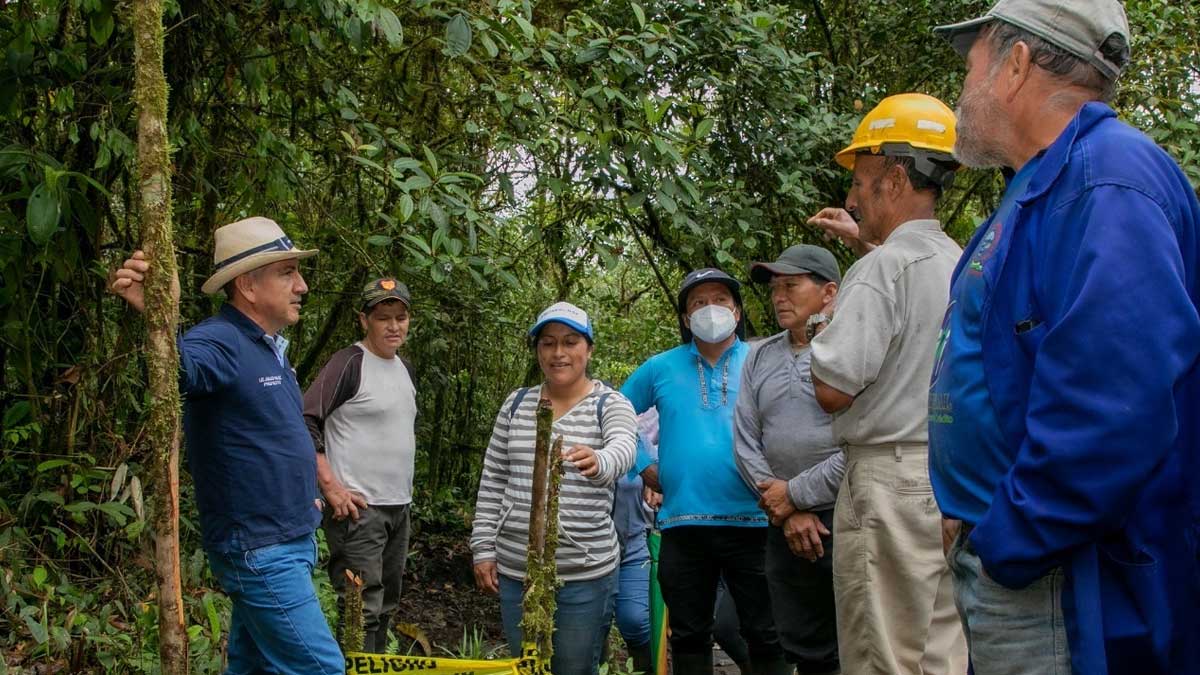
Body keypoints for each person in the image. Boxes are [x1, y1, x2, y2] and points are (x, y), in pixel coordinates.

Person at [931, 2, 1200, 673]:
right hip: (1022, 559)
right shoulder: (1049, 183)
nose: (962, 94)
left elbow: (1114, 409)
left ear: (1015, 64)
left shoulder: (1107, 181)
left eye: (970, 68)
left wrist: (1010, 539)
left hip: (1058, 581)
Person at [108, 217, 343, 674]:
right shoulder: (220, 341)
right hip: (260, 549)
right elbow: (179, 370)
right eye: (288, 272)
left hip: (287, 538)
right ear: (248, 286)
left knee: (254, 668)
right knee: (322, 669)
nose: (303, 285)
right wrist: (159, 316)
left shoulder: (267, 346)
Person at [805, 94, 967, 675]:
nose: (852, 198)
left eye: (862, 181)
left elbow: (833, 389)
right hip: (948, 477)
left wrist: (823, 329)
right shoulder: (961, 259)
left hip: (886, 483)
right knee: (939, 650)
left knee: (881, 653)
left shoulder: (878, 271)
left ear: (895, 180)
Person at [621, 269, 786, 675]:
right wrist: (643, 464)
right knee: (690, 634)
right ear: (683, 317)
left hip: (757, 519)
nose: (709, 309)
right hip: (683, 523)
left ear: (737, 309)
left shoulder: (761, 359)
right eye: (697, 302)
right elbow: (617, 411)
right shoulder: (661, 367)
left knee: (766, 632)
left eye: (720, 299)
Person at [470, 302, 638, 675]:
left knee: (574, 668)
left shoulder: (610, 404)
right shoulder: (515, 404)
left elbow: (624, 448)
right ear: (537, 351)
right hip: (516, 571)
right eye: (547, 343)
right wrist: (483, 548)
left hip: (585, 573)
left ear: (589, 349)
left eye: (570, 342)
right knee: (526, 666)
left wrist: (600, 461)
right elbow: (493, 479)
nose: (558, 353)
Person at [734, 244, 843, 675]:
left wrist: (796, 495)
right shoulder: (760, 355)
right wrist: (785, 509)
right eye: (775, 288)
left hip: (847, 511)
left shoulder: (852, 348)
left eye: (791, 286)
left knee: (860, 635)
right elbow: (745, 440)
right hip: (779, 518)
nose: (779, 297)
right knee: (802, 643)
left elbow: (861, 441)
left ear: (828, 292)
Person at [302, 277, 417, 653]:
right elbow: (306, 419)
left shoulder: (405, 369)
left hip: (398, 507)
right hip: (358, 510)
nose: (394, 326)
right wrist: (331, 487)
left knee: (386, 606)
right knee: (360, 608)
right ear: (363, 320)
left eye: (401, 317)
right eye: (384, 317)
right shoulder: (349, 362)